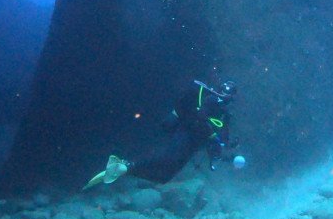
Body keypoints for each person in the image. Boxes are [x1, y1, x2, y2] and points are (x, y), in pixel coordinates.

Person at [84, 78, 241, 188]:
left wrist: (229, 151)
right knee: (167, 158)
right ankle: (126, 164)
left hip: (194, 144)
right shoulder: (210, 99)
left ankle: (125, 170)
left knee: (164, 177)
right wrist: (212, 135)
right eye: (227, 93)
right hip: (186, 133)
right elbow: (200, 118)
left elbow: (221, 142)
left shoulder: (225, 115)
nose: (226, 97)